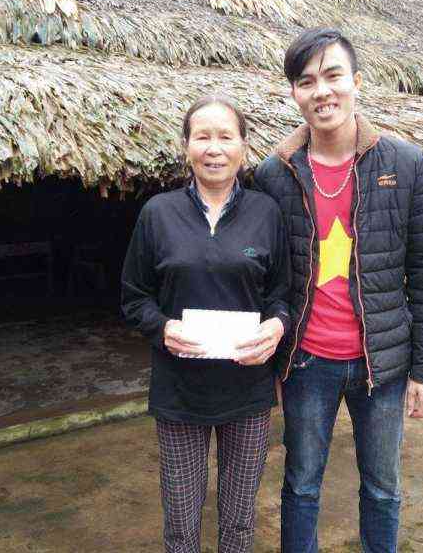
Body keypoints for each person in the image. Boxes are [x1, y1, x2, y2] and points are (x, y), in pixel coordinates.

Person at [253, 27, 423, 553]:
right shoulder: (274, 174)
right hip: (305, 363)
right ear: (294, 93)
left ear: (356, 82)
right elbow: (267, 278)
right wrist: (270, 363)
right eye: (306, 81)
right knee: (300, 486)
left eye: (333, 76)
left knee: (382, 490)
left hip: (380, 364)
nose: (322, 91)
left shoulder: (406, 166)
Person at [120, 94, 291, 553]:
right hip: (179, 391)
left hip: (248, 390)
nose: (214, 148)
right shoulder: (158, 213)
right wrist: (162, 328)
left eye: (225, 137)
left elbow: (282, 294)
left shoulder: (266, 212)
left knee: (239, 520)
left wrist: (277, 326)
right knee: (180, 520)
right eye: (203, 137)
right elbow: (134, 298)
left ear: (244, 147)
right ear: (186, 147)